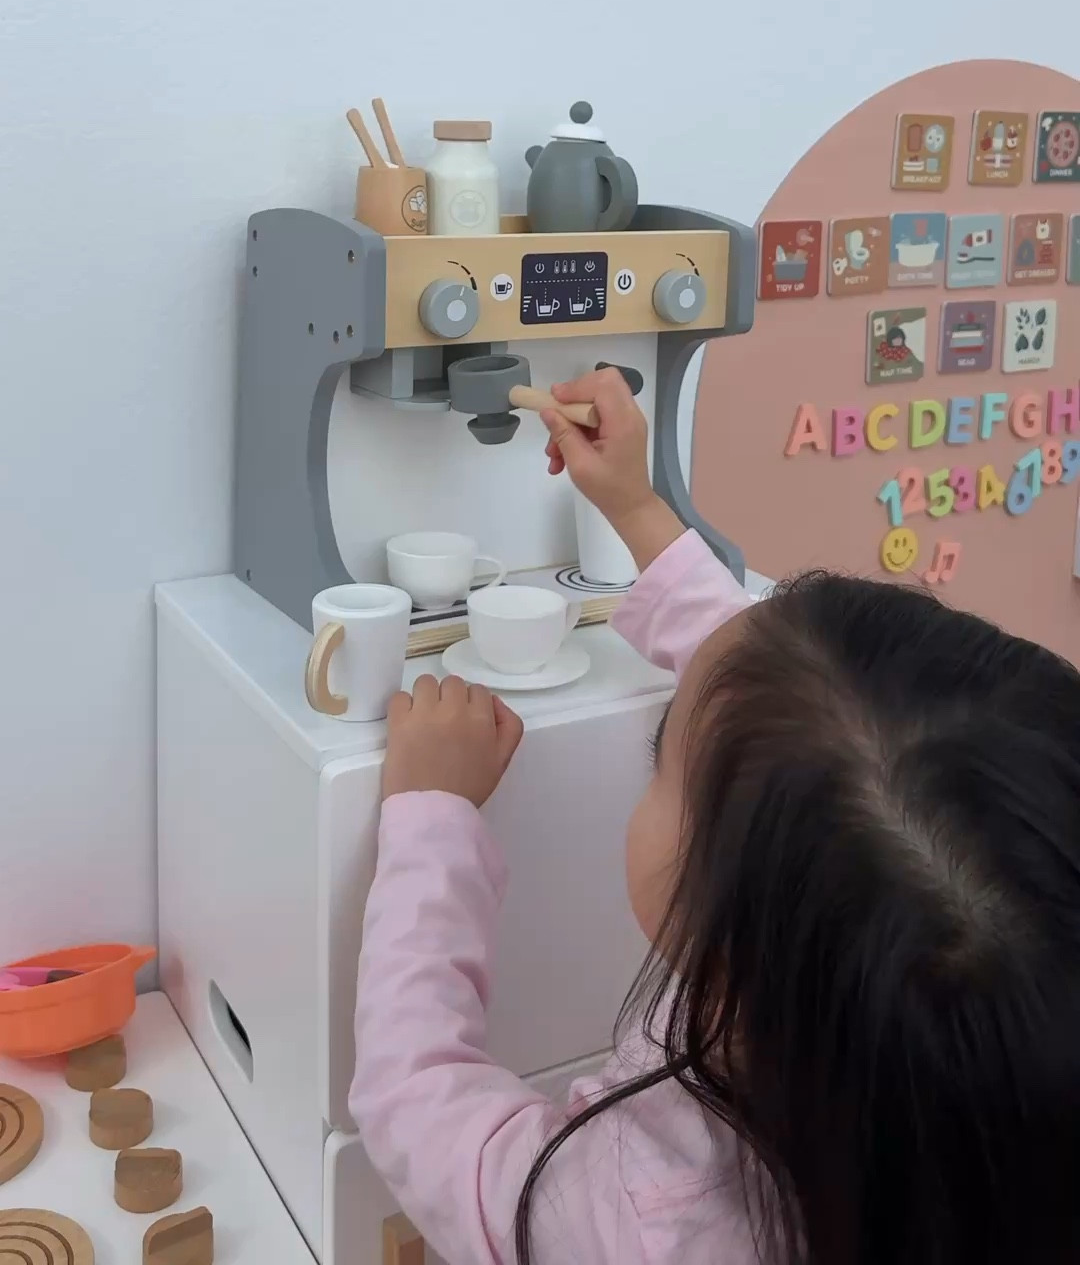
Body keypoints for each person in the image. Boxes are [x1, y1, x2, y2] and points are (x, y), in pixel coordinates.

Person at [352, 368, 1080, 1265]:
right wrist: (634, 505)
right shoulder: (987, 1094)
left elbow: (411, 1095)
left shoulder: (625, 1219)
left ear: (733, 948)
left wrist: (431, 817)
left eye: (662, 761)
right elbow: (777, 711)